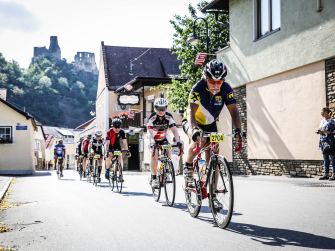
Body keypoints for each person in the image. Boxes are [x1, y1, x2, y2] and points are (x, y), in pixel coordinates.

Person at [182, 59, 243, 208]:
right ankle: (188, 169)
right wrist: (195, 131)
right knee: (196, 143)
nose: (216, 85)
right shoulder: (197, 88)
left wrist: (238, 131)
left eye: (219, 82)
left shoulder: (226, 89)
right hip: (193, 122)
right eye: (212, 81)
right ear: (205, 78)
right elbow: (191, 112)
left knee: (214, 156)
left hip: (210, 124)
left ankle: (213, 194)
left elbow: (234, 111)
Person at [147, 97, 183, 188]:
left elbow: (174, 130)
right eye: (158, 109)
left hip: (164, 135)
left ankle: (167, 171)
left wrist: (178, 141)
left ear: (166, 108)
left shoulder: (169, 117)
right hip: (153, 136)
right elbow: (150, 131)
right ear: (155, 108)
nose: (161, 111)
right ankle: (154, 178)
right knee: (154, 155)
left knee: (168, 149)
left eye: (163, 109)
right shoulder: (152, 117)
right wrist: (154, 142)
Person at [105, 118, 130, 182]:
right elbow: (107, 143)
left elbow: (124, 142)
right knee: (109, 156)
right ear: (112, 126)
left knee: (120, 158)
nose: (117, 129)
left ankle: (120, 175)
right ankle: (107, 170)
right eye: (115, 127)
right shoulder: (109, 132)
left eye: (118, 127)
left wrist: (127, 150)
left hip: (117, 147)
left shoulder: (122, 132)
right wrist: (107, 151)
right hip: (110, 146)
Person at [317, 107, 335, 180]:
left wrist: (329, 132)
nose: (321, 113)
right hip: (323, 141)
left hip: (330, 141)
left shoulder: (333, 121)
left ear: (327, 113)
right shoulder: (322, 121)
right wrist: (320, 132)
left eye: (323, 111)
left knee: (333, 158)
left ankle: (334, 175)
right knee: (325, 159)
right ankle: (326, 174)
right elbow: (321, 130)